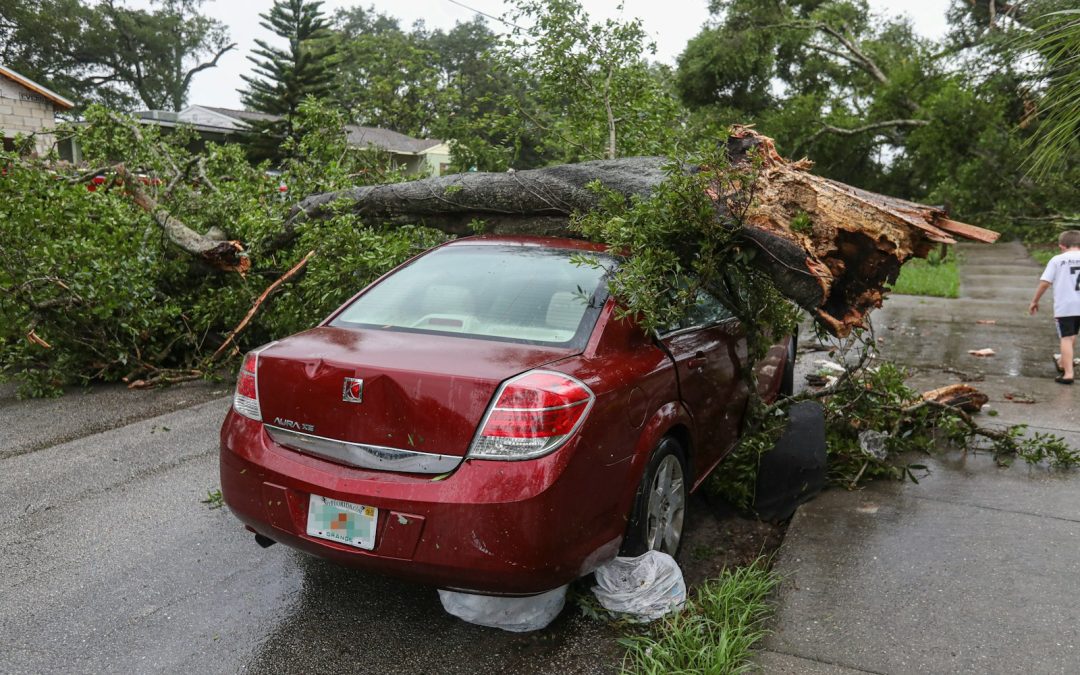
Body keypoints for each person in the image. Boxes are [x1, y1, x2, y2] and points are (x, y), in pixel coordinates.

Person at [1029, 230, 1080, 384]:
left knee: (1066, 337)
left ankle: (1068, 374)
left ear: (1061, 246)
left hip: (1066, 306)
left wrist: (1034, 301)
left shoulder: (1057, 260)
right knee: (1073, 336)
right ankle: (1062, 363)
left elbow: (1045, 282)